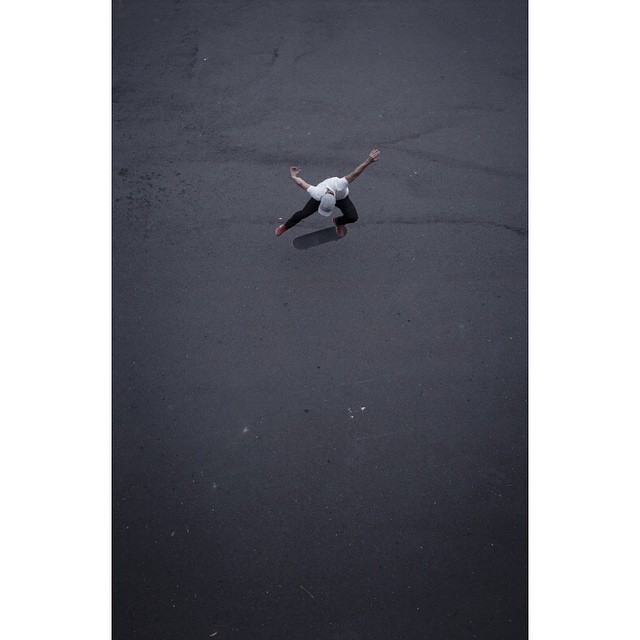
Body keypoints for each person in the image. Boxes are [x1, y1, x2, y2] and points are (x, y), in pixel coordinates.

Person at [275, 149, 381, 238]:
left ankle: (338, 222)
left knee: (353, 217)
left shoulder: (340, 184)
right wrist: (294, 176)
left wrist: (368, 161)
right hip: (325, 195)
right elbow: (302, 184)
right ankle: (285, 226)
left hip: (342, 198)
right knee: (303, 213)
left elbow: (355, 173)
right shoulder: (318, 193)